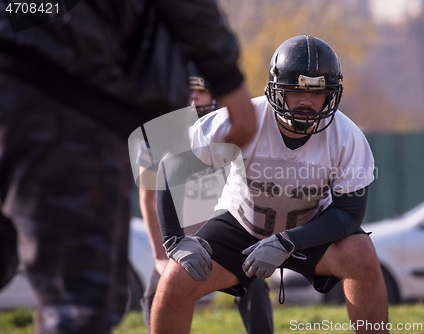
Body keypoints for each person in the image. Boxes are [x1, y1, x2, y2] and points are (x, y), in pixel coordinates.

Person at [0, 1, 256, 333]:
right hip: (70, 98)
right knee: (79, 307)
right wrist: (228, 80)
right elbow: (153, 193)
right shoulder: (171, 130)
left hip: (20, 73)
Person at [150, 35, 389, 334]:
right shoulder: (241, 121)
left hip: (309, 229)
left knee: (362, 254)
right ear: (277, 90)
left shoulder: (347, 137)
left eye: (318, 93)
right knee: (174, 280)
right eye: (295, 91)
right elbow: (171, 169)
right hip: (242, 225)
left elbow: (349, 214)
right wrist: (174, 240)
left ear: (331, 94)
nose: (307, 102)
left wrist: (289, 241)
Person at [137, 70, 273, 334]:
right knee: (155, 294)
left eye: (201, 91)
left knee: (255, 287)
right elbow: (149, 196)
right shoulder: (156, 135)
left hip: (226, 236)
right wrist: (160, 254)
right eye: (188, 91)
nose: (193, 98)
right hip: (177, 241)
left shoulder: (228, 131)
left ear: (216, 96)